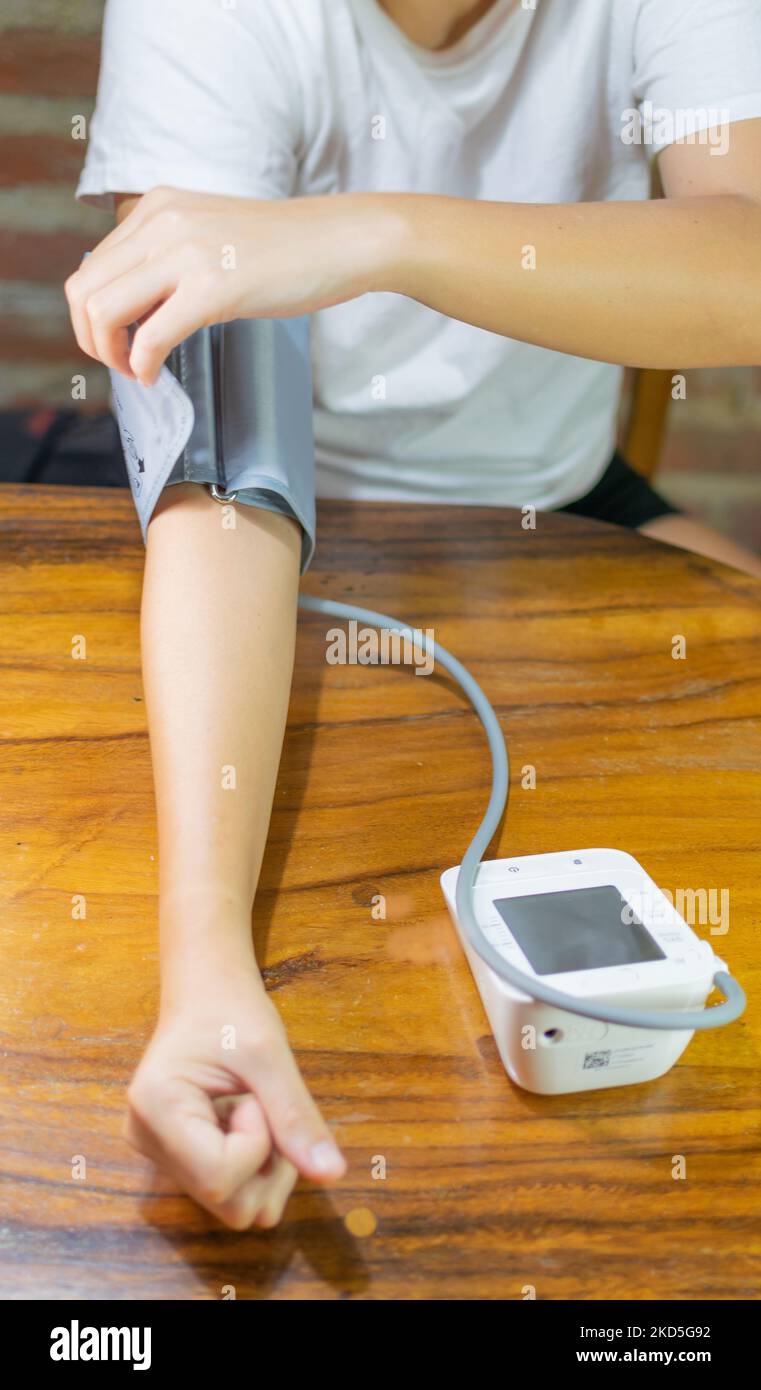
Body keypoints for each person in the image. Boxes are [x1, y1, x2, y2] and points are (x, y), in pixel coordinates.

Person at [67, 0, 761, 1230]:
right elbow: (227, 474)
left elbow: (747, 263)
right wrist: (208, 972)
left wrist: (369, 233)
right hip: (280, 516)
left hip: (555, 506)